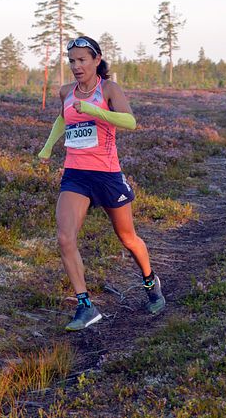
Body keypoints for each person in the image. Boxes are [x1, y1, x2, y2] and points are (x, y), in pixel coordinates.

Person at [37, 35, 165, 331]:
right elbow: (62, 119)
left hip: (106, 174)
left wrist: (96, 111)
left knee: (128, 238)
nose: (76, 66)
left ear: (97, 60)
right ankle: (85, 306)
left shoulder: (109, 89)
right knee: (65, 238)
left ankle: (150, 281)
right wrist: (47, 148)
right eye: (72, 61)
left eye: (82, 60)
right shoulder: (65, 91)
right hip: (75, 174)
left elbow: (130, 122)